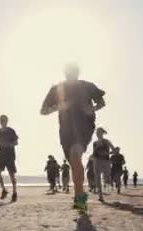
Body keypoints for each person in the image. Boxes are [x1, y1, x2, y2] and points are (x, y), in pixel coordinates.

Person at [40, 64, 106, 211]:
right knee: (75, 163)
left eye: (74, 72)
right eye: (68, 72)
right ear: (64, 73)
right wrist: (59, 107)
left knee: (76, 156)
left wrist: (92, 108)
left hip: (84, 126)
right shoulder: (57, 89)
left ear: (78, 73)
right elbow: (43, 111)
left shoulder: (88, 86)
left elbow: (101, 102)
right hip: (66, 131)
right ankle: (80, 197)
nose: (71, 75)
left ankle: (80, 200)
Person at [0, 115, 19, 201]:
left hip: (9, 154)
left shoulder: (11, 131)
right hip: (1, 153)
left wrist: (8, 145)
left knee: (11, 174)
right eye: (1, 120)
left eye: (3, 120)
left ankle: (15, 192)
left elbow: (16, 143)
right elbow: (0, 142)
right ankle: (4, 189)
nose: (2, 121)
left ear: (6, 121)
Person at [92, 127, 115, 201]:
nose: (98, 134)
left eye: (99, 132)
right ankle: (100, 196)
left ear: (102, 133)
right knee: (97, 178)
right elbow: (94, 153)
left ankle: (108, 181)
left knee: (107, 177)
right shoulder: (94, 143)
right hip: (97, 161)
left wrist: (108, 153)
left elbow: (113, 150)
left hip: (105, 161)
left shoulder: (107, 141)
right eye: (97, 133)